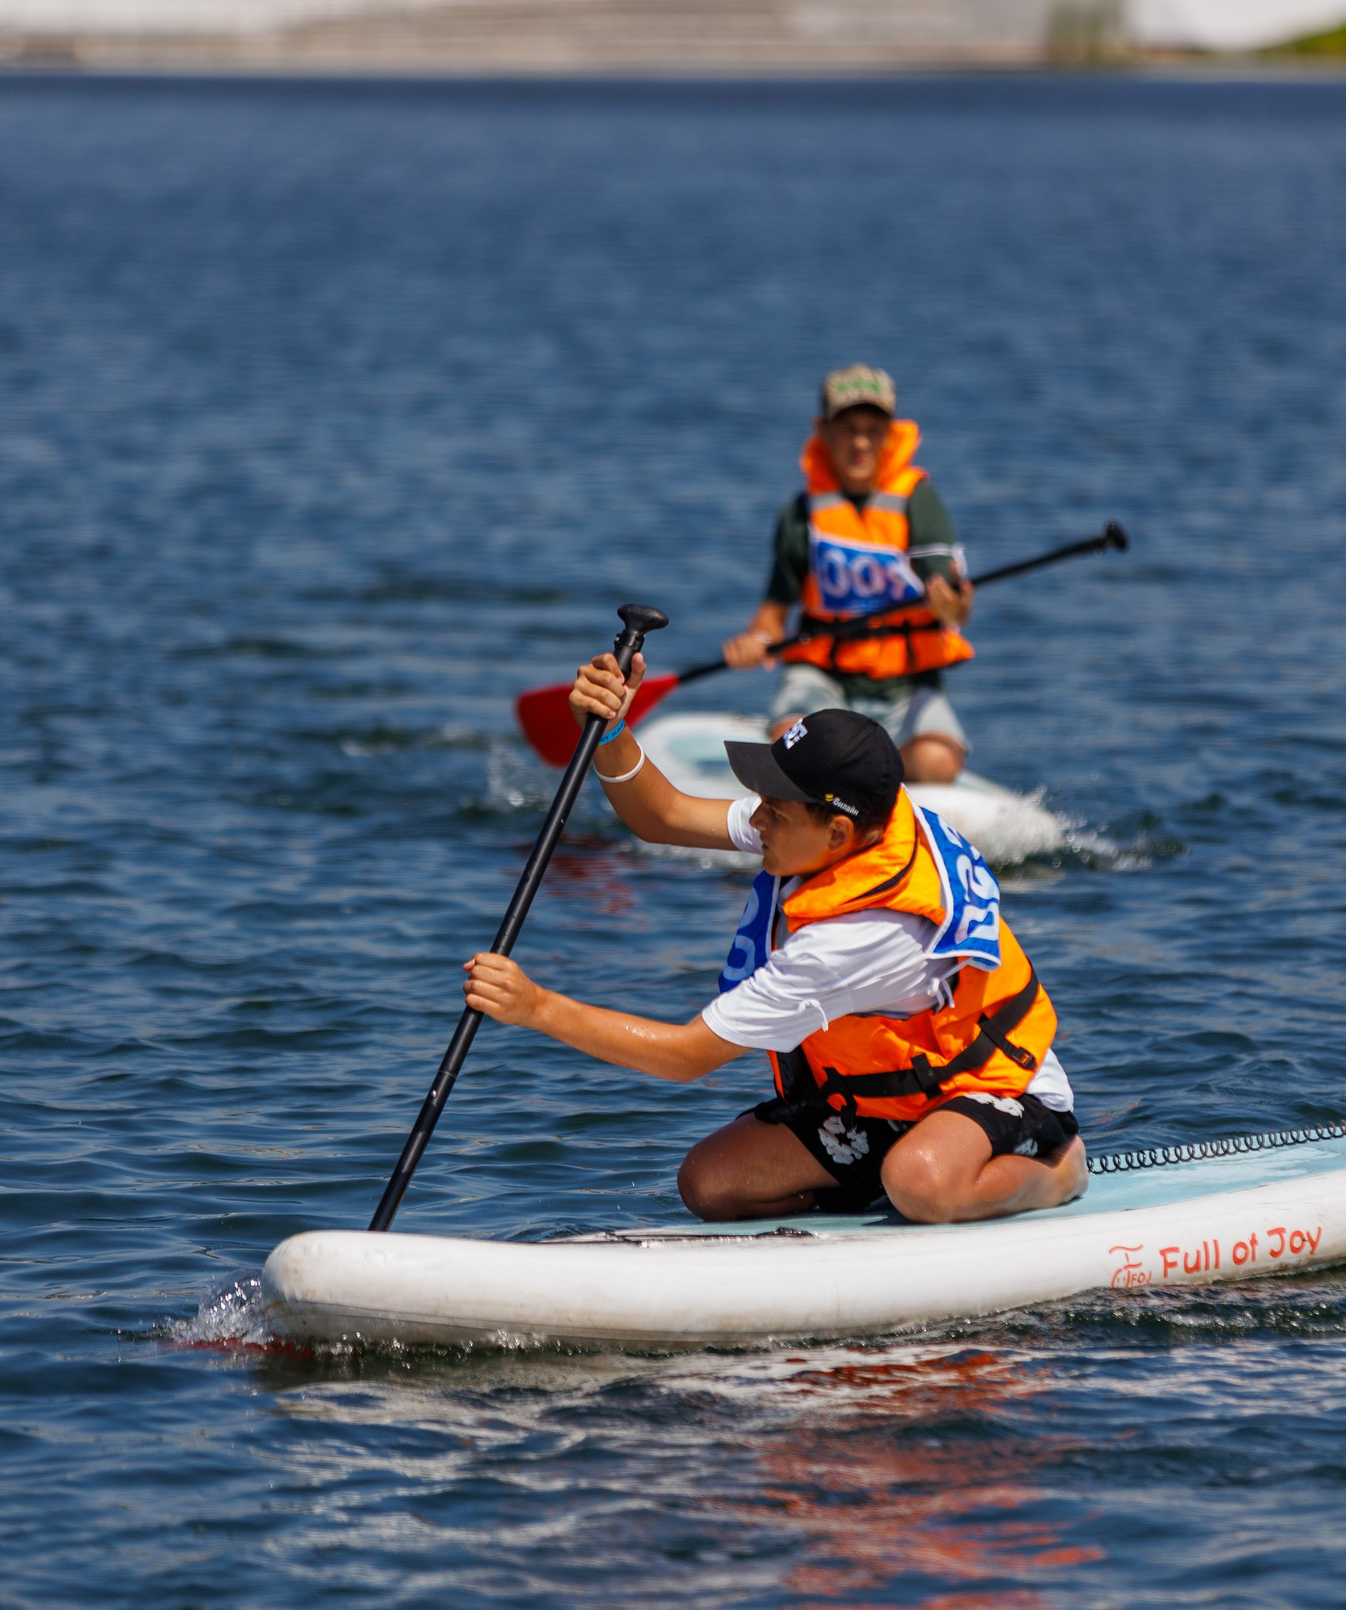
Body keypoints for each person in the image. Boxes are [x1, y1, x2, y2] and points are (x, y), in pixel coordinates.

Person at [459, 657, 1087, 1225]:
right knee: (712, 1183)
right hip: (894, 1098)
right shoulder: (860, 818)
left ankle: (1055, 1175)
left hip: (1002, 1092)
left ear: (838, 835)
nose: (756, 820)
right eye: (761, 801)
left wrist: (536, 1008)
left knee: (920, 1183)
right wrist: (613, 732)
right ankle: (886, 1180)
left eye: (775, 812)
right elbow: (664, 816)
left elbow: (686, 1057)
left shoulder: (859, 937)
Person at [721, 365, 978, 784]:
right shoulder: (800, 515)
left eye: (873, 429)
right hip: (823, 679)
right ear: (821, 429)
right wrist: (756, 643)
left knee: (938, 763)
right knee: (793, 742)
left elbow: (953, 603)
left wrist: (955, 606)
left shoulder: (919, 502)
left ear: (890, 433)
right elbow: (772, 616)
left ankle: (864, 769)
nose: (860, 442)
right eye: (847, 429)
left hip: (904, 685)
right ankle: (829, 759)